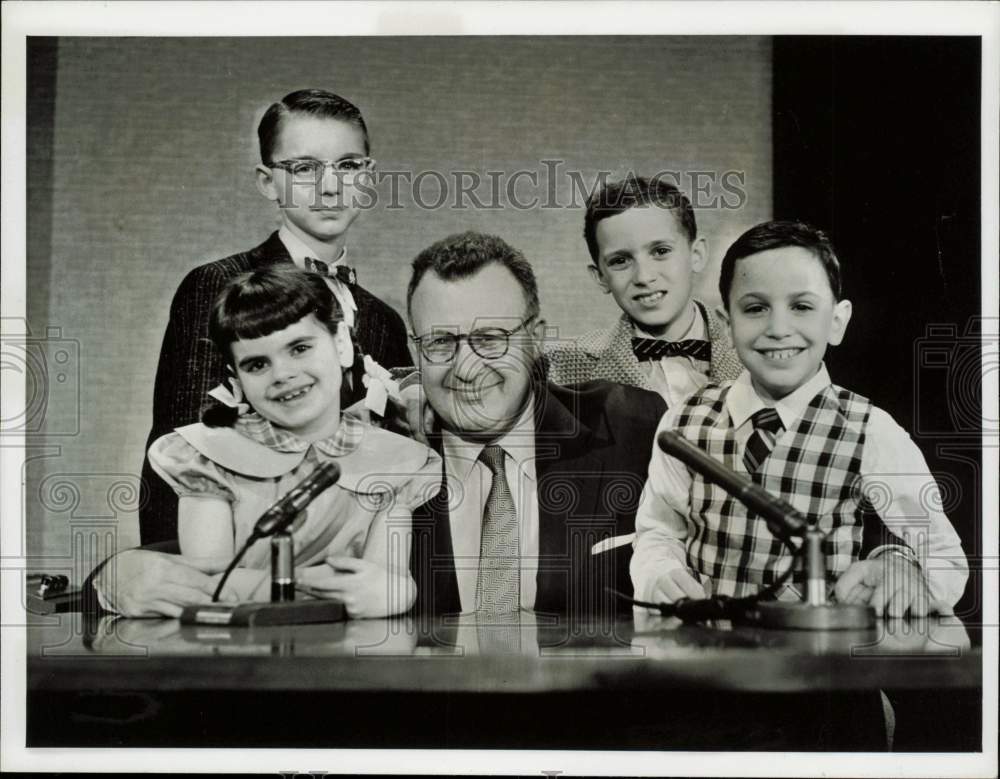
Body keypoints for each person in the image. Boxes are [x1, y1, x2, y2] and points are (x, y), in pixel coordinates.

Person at [631, 220, 968, 616]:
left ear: (837, 321)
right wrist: (659, 571)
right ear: (727, 324)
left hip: (822, 665)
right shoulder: (682, 423)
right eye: (755, 309)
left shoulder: (870, 430)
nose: (778, 329)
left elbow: (945, 557)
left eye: (802, 307)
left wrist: (901, 565)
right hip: (705, 661)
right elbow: (657, 532)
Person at [139, 88, 410, 547]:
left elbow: (398, 464)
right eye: (304, 168)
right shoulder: (217, 286)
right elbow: (181, 455)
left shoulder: (384, 320)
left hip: (358, 568)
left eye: (348, 166)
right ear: (267, 182)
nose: (330, 186)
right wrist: (191, 589)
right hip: (240, 561)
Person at [107, 266, 439, 618]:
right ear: (236, 377)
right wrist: (333, 588)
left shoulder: (395, 459)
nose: (282, 374)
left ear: (341, 344)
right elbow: (208, 586)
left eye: (299, 348)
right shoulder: (208, 457)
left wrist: (399, 592)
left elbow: (385, 579)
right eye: (257, 364)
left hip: (347, 657)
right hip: (239, 653)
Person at [404, 231, 666, 619]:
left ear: (536, 339)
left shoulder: (633, 428)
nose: (465, 367)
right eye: (440, 342)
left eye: (490, 338)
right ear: (415, 349)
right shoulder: (384, 459)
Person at [546, 176, 744, 404]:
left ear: (696, 255)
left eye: (661, 251)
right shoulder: (562, 368)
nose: (644, 277)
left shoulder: (755, 352)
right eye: (620, 261)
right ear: (600, 277)